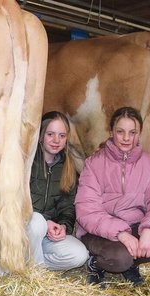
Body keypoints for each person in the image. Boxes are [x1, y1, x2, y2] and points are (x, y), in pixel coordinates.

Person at [75, 106, 150, 286]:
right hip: (99, 231)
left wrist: (149, 230)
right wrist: (121, 233)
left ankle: (131, 262)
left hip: (135, 225)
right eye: (120, 132)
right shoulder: (93, 163)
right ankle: (96, 263)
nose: (127, 138)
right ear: (111, 132)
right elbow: (86, 209)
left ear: (140, 133)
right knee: (120, 258)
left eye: (132, 132)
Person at [27, 111, 89, 271]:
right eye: (50, 134)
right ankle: (34, 270)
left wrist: (62, 226)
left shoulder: (67, 168)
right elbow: (14, 202)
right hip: (23, 230)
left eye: (62, 135)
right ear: (40, 136)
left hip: (47, 235)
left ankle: (29, 262)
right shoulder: (26, 162)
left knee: (79, 255)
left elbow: (68, 207)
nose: (56, 140)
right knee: (36, 222)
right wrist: (45, 223)